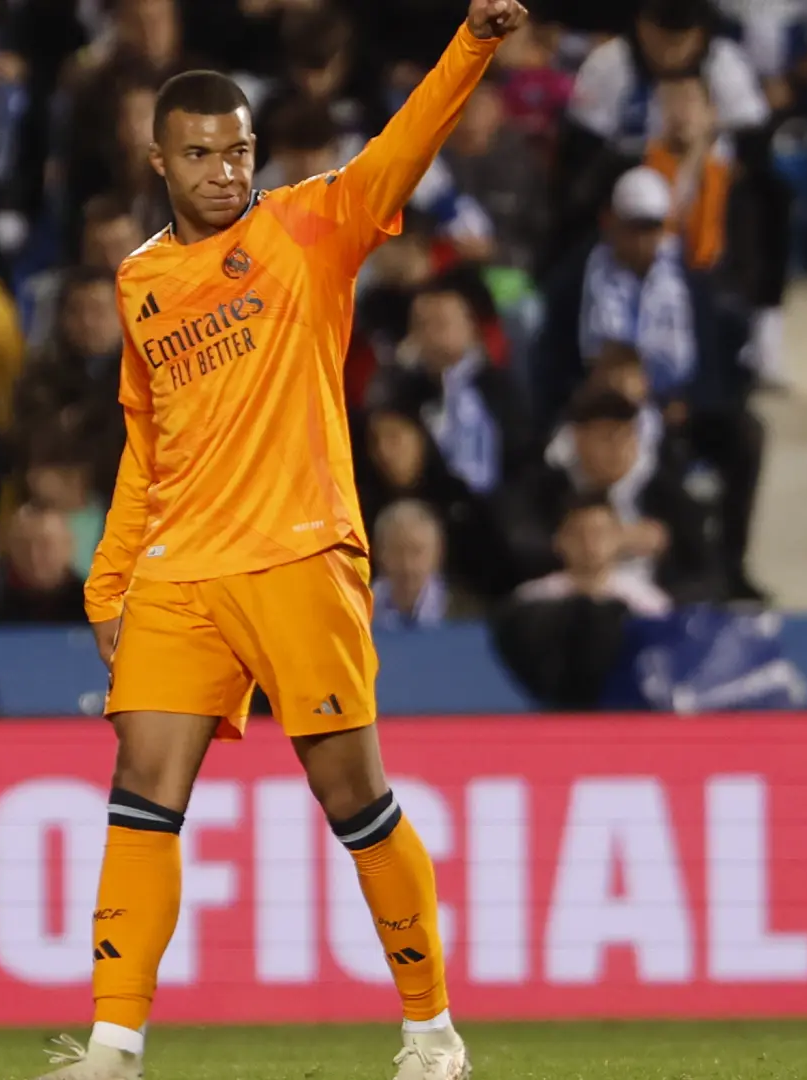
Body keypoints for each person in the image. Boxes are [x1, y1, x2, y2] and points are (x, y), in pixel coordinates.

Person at [55, 3, 527, 1079]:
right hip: (180, 571)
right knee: (142, 792)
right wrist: (109, 584)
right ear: (158, 160)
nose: (226, 171)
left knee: (353, 798)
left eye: (240, 151)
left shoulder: (315, 226)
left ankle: (431, 1032)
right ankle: (114, 1045)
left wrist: (474, 44)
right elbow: (146, 443)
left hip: (301, 556)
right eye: (203, 154)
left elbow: (404, 146)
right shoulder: (138, 282)